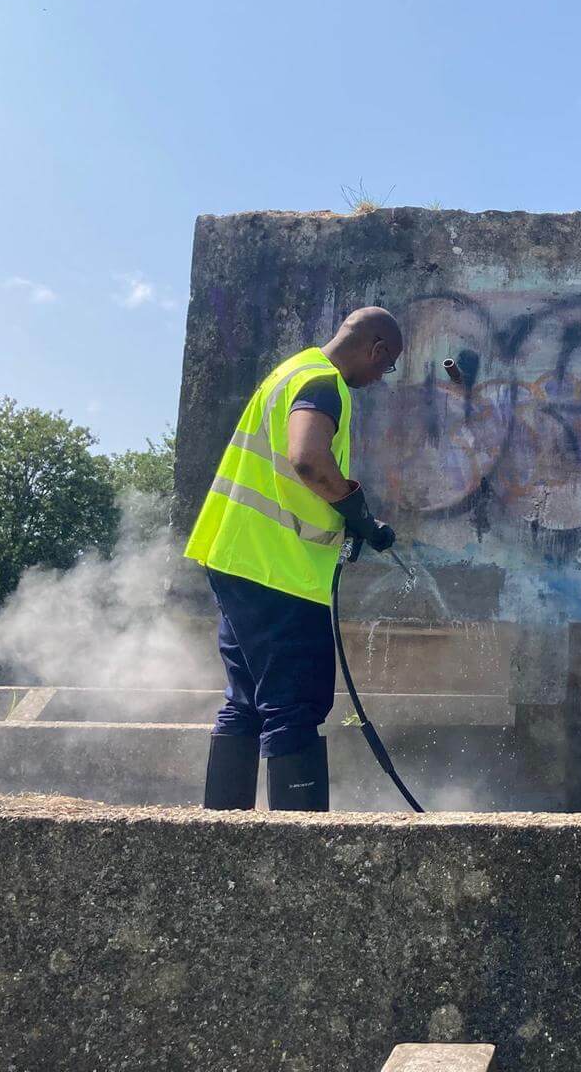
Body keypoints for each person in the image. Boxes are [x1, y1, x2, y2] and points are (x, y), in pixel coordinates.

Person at [184, 307, 403, 811]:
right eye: (385, 367)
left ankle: (220, 831)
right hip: (279, 571)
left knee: (246, 702)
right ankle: (300, 850)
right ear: (375, 349)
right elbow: (306, 457)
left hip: (236, 558)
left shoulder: (289, 371)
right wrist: (356, 510)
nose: (379, 378)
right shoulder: (324, 384)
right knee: (294, 706)